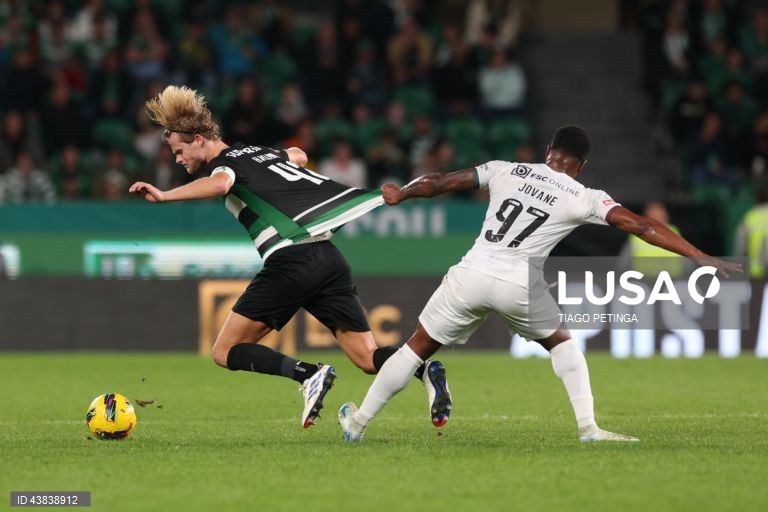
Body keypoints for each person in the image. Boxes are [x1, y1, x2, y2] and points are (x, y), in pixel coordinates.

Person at [339, 125, 742, 443]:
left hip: (473, 273)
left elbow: (440, 181)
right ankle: (589, 428)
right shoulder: (586, 195)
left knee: (416, 349)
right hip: (519, 284)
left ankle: (358, 422)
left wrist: (402, 194)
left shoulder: (504, 169)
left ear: (549, 151)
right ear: (580, 165)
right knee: (563, 344)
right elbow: (642, 226)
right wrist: (699, 255)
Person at [128, 85, 451, 429]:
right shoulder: (255, 153)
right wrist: (282, 158)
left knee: (224, 351)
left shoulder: (224, 165)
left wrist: (165, 195)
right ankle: (424, 368)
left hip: (291, 258)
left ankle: (309, 374)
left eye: (179, 151)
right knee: (368, 358)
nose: (178, 159)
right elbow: (296, 154)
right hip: (328, 258)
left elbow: (221, 185)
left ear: (198, 139)